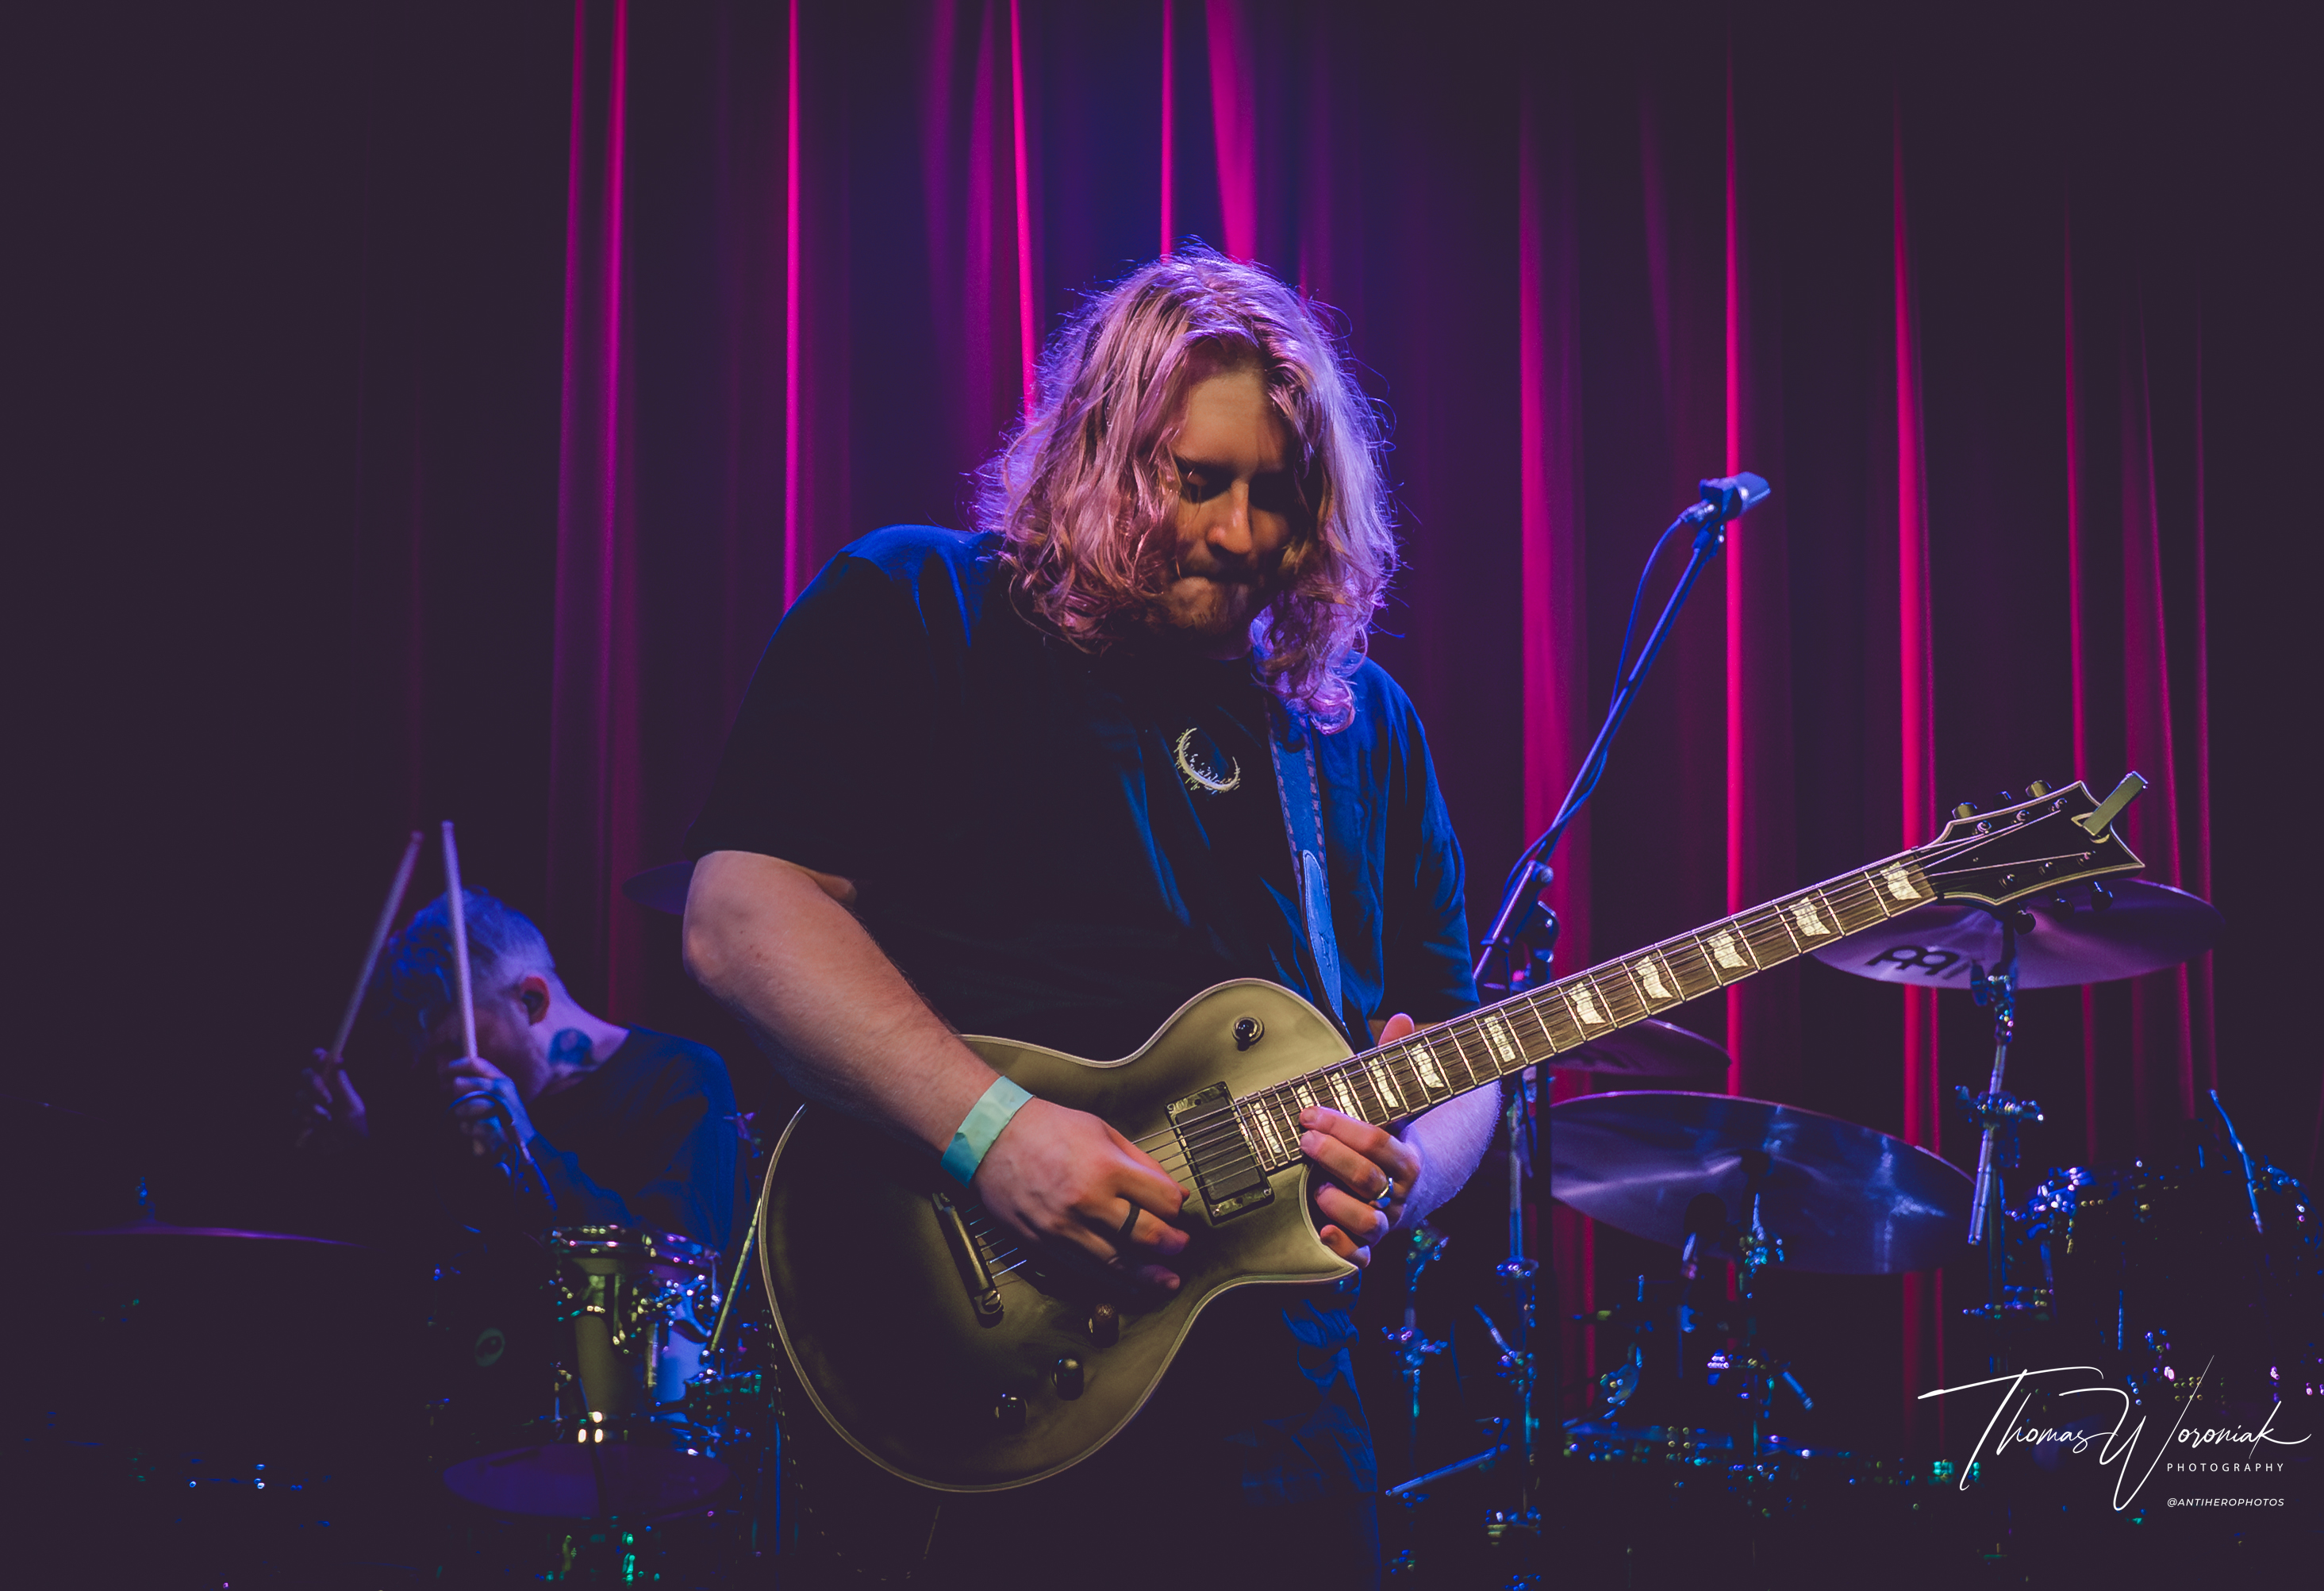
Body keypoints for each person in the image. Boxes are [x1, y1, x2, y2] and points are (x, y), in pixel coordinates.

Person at [682, 246, 1496, 1589]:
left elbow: (1459, 1044)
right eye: (1197, 481)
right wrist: (994, 1132)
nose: (1239, 534)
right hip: (983, 1396)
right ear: (1102, 451)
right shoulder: (919, 608)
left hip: (1289, 1438)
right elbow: (739, 915)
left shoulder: (1357, 726)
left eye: (1278, 493)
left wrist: (1409, 1162)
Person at [296, 887, 743, 1254]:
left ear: (531, 1000)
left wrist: (527, 1148)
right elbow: (424, 1258)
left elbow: (680, 1264)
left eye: (454, 1045)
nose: (446, 1072)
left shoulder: (681, 1076)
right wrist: (352, 1151)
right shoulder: (466, 1107)